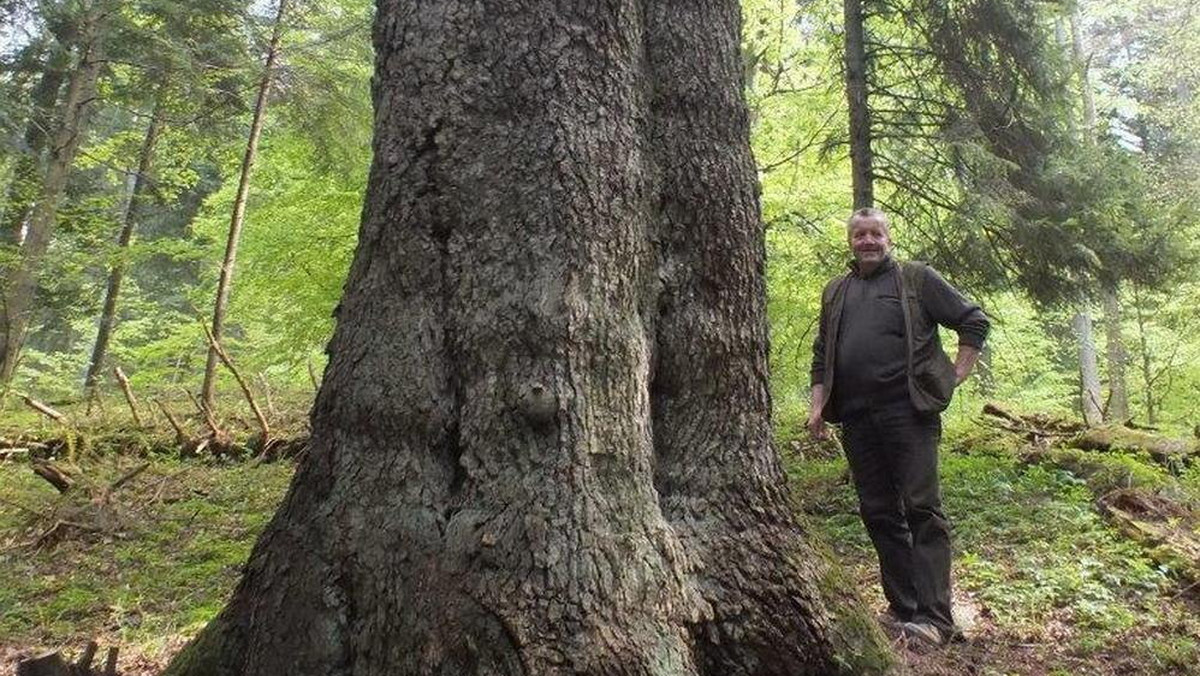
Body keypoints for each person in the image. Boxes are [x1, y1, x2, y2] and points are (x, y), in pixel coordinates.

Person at [808, 207, 989, 647]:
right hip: (856, 418)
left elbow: (973, 319)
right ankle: (906, 608)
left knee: (922, 510)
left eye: (875, 234)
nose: (867, 241)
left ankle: (936, 618)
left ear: (889, 237)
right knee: (878, 512)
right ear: (850, 241)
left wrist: (955, 373)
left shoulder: (916, 279)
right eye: (859, 235)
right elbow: (821, 353)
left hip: (909, 413)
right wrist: (817, 408)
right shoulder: (837, 291)